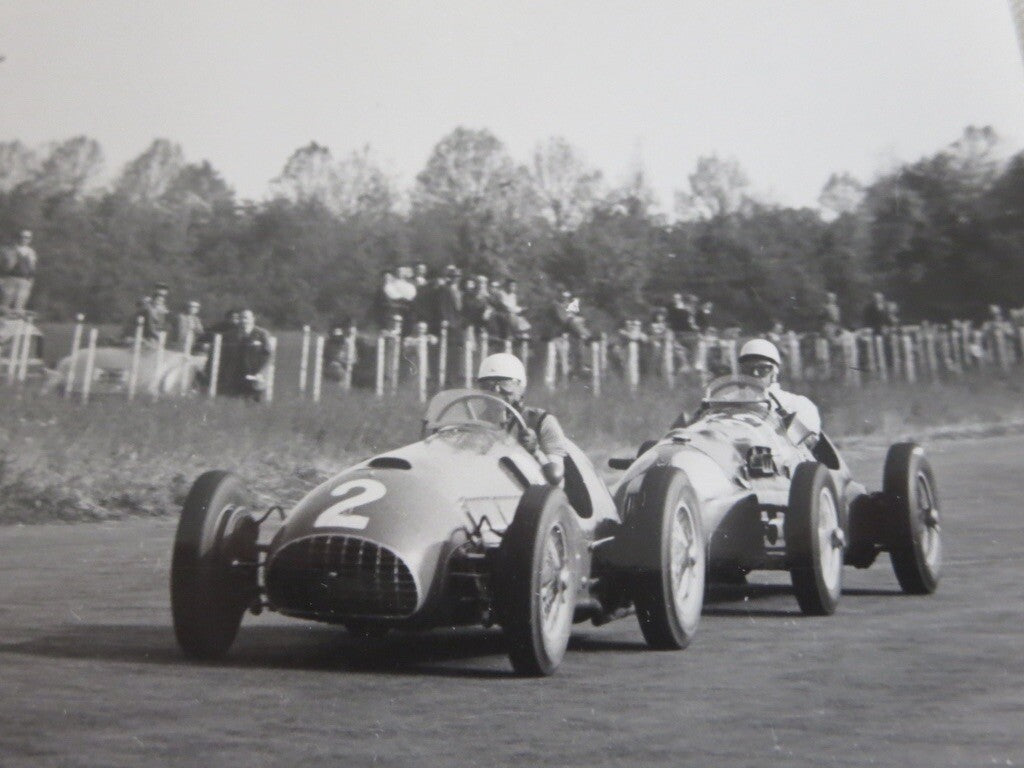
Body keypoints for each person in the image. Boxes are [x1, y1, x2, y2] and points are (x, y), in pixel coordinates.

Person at [476, 352, 567, 486]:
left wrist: (535, 452)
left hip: (531, 493)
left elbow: (557, 481)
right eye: (487, 385)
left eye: (505, 383)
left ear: (521, 387)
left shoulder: (541, 421)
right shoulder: (474, 422)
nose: (496, 390)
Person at [738, 338, 821, 445]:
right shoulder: (728, 401)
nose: (754, 373)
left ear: (775, 371)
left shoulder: (798, 404)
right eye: (747, 369)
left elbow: (808, 443)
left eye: (762, 368)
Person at [229, 309, 272, 401]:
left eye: (246, 318)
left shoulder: (261, 334)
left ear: (253, 319)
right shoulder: (232, 334)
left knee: (255, 399)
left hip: (256, 372)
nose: (243, 320)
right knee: (237, 400)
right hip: (238, 373)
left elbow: (267, 354)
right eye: (241, 318)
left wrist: (260, 371)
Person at [1, 230, 37, 312]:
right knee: (5, 303)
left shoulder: (31, 252)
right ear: (18, 237)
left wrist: (31, 280)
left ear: (30, 239)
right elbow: (3, 265)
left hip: (25, 280)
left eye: (27, 237)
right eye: (22, 237)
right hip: (10, 278)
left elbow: (33, 267)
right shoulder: (9, 250)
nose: (24, 239)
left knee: (20, 304)